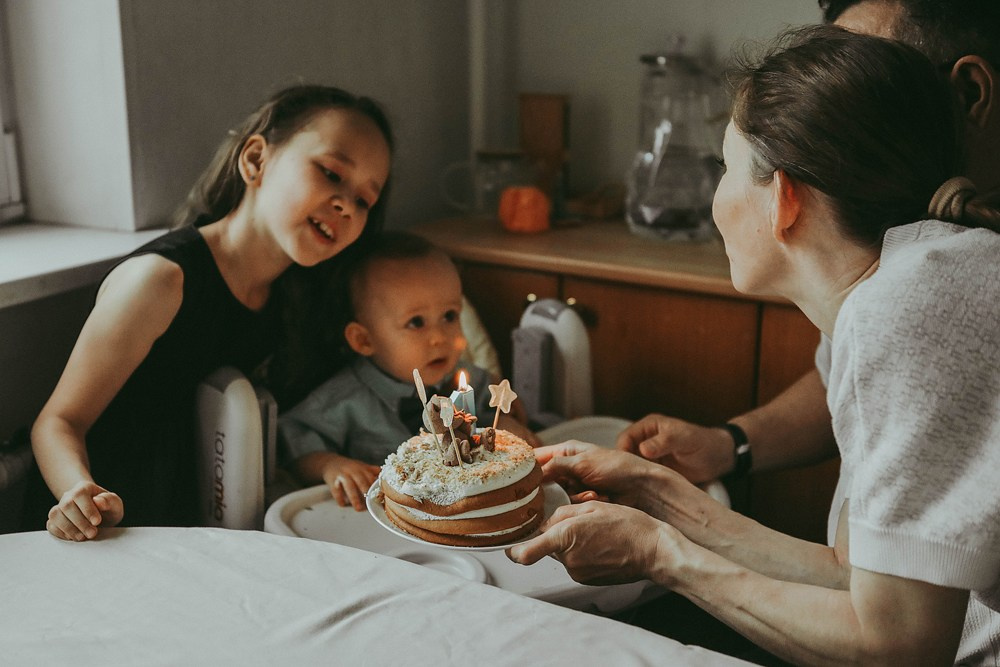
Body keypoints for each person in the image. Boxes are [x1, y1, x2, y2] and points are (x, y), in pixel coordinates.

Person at [509, 25, 1000, 665]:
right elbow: (854, 580)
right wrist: (659, 495)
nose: (716, 195)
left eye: (724, 166)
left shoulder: (905, 311)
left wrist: (659, 555)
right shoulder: (925, 280)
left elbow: (896, 647)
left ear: (785, 198)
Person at [617, 0, 1000, 539]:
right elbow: (844, 378)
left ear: (969, 93)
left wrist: (660, 546)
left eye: (861, 69)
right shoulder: (888, 274)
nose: (823, 95)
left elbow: (890, 625)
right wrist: (727, 446)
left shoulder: (918, 295)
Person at [22, 84, 394, 541]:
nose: (346, 206)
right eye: (332, 173)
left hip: (194, 527)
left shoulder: (292, 295)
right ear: (255, 160)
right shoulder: (159, 282)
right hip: (100, 527)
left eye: (364, 201)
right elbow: (58, 421)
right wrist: (79, 494)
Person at [278, 230, 536, 510]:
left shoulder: (462, 377)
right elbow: (294, 440)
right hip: (380, 521)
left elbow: (496, 405)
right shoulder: (344, 398)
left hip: (461, 511)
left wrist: (508, 425)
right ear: (365, 340)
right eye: (416, 322)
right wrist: (331, 466)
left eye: (449, 316)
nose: (440, 337)